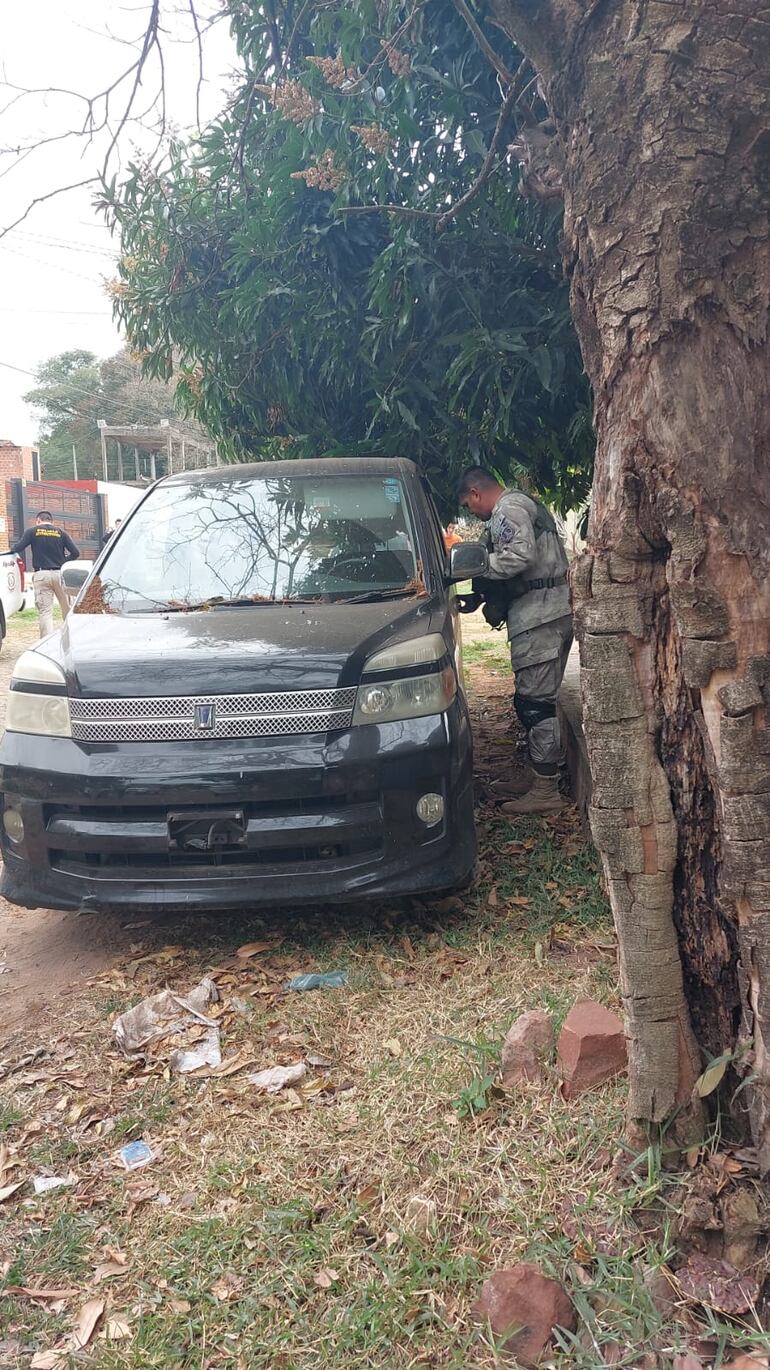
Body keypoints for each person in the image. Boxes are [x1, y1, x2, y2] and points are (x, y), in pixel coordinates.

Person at [457, 466, 572, 814]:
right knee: (535, 700)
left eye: (467, 505)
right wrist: (480, 597)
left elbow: (519, 556)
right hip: (544, 612)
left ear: (476, 493)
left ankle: (546, 791)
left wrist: (473, 569)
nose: (470, 512)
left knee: (535, 704)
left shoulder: (508, 508)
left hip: (541, 616)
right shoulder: (519, 506)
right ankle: (539, 776)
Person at [12, 511, 80, 639]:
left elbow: (17, 547)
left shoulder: (32, 531)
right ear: (51, 521)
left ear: (38, 520)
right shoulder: (61, 532)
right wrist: (62, 562)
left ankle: (47, 643)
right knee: (67, 609)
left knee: (45, 612)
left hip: (41, 574)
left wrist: (10, 550)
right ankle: (71, 638)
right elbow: (76, 553)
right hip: (60, 574)